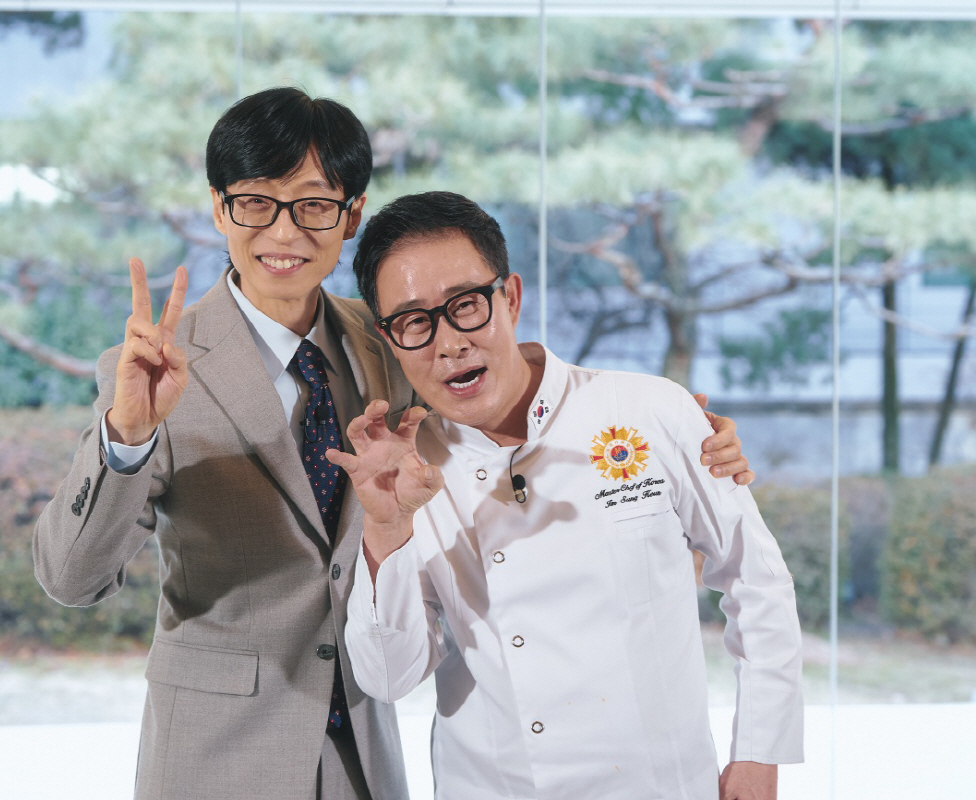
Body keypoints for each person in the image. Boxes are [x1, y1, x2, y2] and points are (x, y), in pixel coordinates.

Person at [33, 88, 753, 800]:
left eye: (313, 205)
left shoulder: (391, 339)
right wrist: (128, 436)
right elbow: (71, 580)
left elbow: (500, 386)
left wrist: (673, 432)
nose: (284, 232)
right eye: (255, 202)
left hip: (364, 750)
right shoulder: (154, 370)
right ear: (221, 209)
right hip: (216, 757)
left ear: (350, 217)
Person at [331, 191, 803, 800]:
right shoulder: (403, 471)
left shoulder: (648, 409)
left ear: (511, 298)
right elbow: (388, 679)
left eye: (466, 305)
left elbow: (757, 581)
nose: (448, 343)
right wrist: (386, 529)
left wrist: (759, 755)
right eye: (415, 322)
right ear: (390, 338)